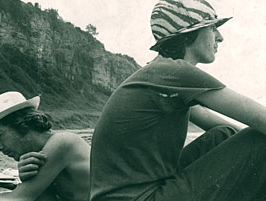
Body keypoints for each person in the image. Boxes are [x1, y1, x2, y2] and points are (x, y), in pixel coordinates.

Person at [90, 0, 266, 200]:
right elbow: (260, 118)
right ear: (188, 34)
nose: (220, 37)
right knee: (260, 140)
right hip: (141, 197)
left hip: (135, 194)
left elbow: (223, 126)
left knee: (223, 134)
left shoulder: (159, 73)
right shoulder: (175, 72)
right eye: (212, 28)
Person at [0, 91, 90, 201]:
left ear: (22, 124)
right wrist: (28, 181)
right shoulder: (47, 152)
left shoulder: (62, 142)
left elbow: (17, 199)